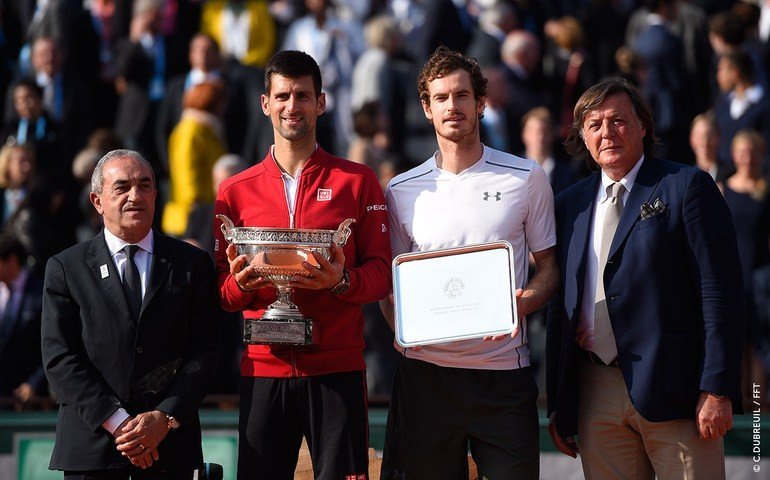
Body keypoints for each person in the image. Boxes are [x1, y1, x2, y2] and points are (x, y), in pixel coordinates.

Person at [546, 78, 745, 479]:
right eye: (595, 124)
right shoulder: (569, 204)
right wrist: (559, 403)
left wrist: (717, 387)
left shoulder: (687, 186)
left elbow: (720, 293)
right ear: (582, 137)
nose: (607, 132)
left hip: (679, 390)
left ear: (643, 127)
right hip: (594, 389)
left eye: (619, 120)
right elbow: (560, 306)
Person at [379, 46, 557, 480]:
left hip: (504, 378)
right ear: (427, 108)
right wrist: (407, 334)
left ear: (480, 103)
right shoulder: (401, 190)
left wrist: (521, 303)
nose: (452, 106)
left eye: (461, 96)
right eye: (441, 98)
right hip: (426, 379)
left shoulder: (525, 176)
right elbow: (389, 286)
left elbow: (549, 268)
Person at [213, 50, 391, 479]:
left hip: (337, 368)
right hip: (262, 367)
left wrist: (342, 280)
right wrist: (241, 285)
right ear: (265, 103)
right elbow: (221, 291)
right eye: (283, 96)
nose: (293, 106)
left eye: (303, 96)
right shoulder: (234, 191)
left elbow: (382, 274)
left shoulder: (358, 180)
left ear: (322, 102)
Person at [41, 149, 219, 478]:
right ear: (97, 201)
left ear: (156, 194)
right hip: (92, 452)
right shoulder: (66, 268)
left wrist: (164, 418)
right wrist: (120, 423)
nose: (135, 195)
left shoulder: (191, 264)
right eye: (121, 187)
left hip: (170, 450)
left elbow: (205, 351)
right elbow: (60, 358)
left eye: (144, 185)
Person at [161, 81, 227, 237]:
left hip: (203, 210)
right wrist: (195, 206)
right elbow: (186, 170)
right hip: (188, 218)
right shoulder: (191, 129)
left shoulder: (206, 129)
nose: (224, 107)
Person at [0, 233, 46, 410]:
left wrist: (34, 383)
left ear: (10, 260)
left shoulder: (41, 292)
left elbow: (53, 343)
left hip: (28, 398)